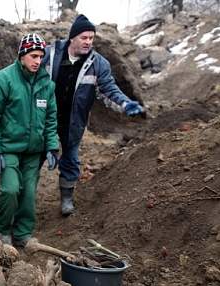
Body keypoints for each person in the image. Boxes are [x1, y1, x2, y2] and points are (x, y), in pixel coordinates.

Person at [43, 14, 144, 216]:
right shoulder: (50, 54)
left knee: (70, 158)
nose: (88, 42)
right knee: (34, 157)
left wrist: (125, 103)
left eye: (91, 38)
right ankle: (23, 197)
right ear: (72, 37)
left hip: (74, 121)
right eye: (84, 37)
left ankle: (66, 198)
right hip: (44, 119)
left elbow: (108, 90)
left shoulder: (98, 64)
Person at [0, 33, 60, 247]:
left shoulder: (47, 84)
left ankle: (23, 233)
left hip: (34, 150)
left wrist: (52, 146)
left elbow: (51, 119)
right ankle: (3, 229)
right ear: (22, 54)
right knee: (10, 189)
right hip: (9, 148)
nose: (37, 61)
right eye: (33, 56)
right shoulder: (3, 80)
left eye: (40, 57)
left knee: (28, 194)